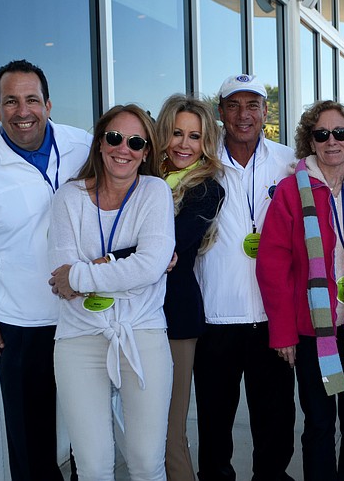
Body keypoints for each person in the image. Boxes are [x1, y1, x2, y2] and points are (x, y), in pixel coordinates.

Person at [0, 59, 90, 481]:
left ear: (47, 103)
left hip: (86, 312)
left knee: (93, 431)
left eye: (31, 100)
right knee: (31, 442)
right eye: (11, 101)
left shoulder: (82, 145)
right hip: (21, 323)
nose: (22, 111)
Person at [257, 100, 344, 480]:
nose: (331, 141)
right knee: (318, 424)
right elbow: (273, 266)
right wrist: (282, 332)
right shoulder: (289, 192)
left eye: (340, 133)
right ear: (310, 141)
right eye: (322, 134)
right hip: (312, 330)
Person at [48, 104, 175, 481]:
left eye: (136, 142)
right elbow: (60, 274)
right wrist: (125, 269)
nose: (124, 148)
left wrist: (83, 275)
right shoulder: (68, 197)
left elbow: (150, 266)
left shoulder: (154, 192)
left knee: (146, 462)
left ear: (146, 151)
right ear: (100, 143)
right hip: (79, 338)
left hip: (143, 334)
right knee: (92, 465)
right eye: (115, 138)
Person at [193, 74, 297, 481]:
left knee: (275, 425)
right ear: (220, 113)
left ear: (265, 111)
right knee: (215, 426)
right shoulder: (202, 160)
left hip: (272, 317)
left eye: (252, 105)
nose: (243, 115)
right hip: (215, 316)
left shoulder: (288, 162)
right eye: (233, 105)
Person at [155, 95, 226, 481]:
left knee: (169, 432)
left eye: (195, 136)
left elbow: (167, 247)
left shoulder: (206, 188)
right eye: (177, 133)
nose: (184, 144)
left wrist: (106, 259)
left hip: (176, 320)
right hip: (128, 315)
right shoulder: (143, 176)